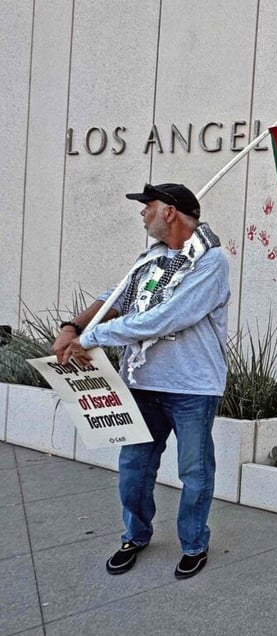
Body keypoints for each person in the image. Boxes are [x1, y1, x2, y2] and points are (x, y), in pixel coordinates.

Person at [52, 183, 230, 580]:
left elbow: (168, 316)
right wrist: (74, 325)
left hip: (192, 389)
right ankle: (135, 535)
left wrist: (92, 337)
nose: (141, 213)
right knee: (133, 469)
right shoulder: (150, 258)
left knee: (194, 472)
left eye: (147, 206)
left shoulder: (210, 261)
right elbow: (116, 296)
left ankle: (194, 544)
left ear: (169, 212)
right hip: (142, 382)